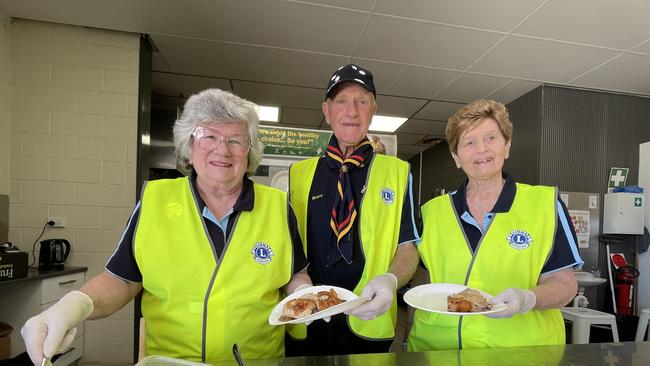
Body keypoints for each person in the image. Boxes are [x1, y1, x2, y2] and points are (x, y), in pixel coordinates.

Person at [21, 88, 312, 364]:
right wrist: (74, 305)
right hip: (170, 362)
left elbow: (294, 273)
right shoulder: (155, 201)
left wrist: (305, 296)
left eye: (236, 140)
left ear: (249, 152)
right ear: (189, 146)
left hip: (256, 361)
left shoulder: (277, 206)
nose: (223, 150)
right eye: (209, 136)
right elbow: (122, 280)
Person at [408, 99, 582, 350]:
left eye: (490, 138)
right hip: (437, 350)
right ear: (456, 157)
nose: (481, 150)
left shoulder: (545, 205)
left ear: (507, 146)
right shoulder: (430, 212)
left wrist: (528, 299)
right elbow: (421, 283)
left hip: (521, 353)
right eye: (469, 142)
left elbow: (565, 285)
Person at [286, 64, 420, 356]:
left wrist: (391, 280)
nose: (352, 111)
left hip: (369, 317)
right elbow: (287, 247)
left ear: (374, 109)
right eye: (342, 101)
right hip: (308, 318)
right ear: (327, 109)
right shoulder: (298, 175)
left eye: (362, 101)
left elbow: (408, 246)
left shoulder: (398, 173)